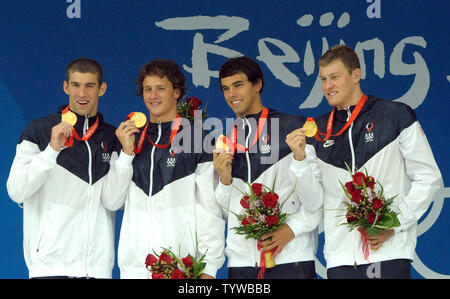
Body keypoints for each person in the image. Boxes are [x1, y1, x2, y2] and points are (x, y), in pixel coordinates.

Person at [287, 45, 443, 279]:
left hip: (388, 253)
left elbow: (429, 178)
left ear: (356, 75)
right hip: (339, 259)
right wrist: (299, 160)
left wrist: (395, 223)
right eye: (323, 79)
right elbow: (315, 202)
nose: (327, 86)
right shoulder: (317, 131)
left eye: (335, 77)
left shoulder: (396, 115)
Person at [102, 59, 225, 279]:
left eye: (161, 88)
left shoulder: (197, 138)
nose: (153, 95)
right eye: (147, 89)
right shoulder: (129, 137)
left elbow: (210, 209)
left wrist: (209, 268)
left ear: (176, 92)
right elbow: (112, 201)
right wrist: (126, 155)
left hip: (180, 268)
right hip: (134, 269)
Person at [6, 58, 118, 278]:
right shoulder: (39, 130)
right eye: (75, 85)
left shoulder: (112, 137)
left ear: (101, 89)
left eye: (89, 86)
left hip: (97, 271)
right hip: (50, 268)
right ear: (66, 87)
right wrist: (51, 150)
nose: (82, 93)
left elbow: (114, 201)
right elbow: (16, 191)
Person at [213, 56, 323, 279]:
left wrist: (291, 229)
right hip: (242, 264)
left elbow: (317, 200)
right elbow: (229, 213)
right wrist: (225, 181)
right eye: (225, 88)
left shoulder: (292, 128)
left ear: (258, 84)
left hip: (291, 258)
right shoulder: (225, 140)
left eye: (238, 85)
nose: (231, 95)